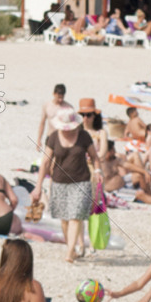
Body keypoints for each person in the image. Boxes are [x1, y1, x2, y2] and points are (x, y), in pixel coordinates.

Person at [30, 109, 98, 263]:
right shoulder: (53, 137)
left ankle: (69, 253)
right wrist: (38, 186)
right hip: (59, 181)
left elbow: (95, 157)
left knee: (75, 216)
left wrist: (98, 171)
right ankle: (72, 247)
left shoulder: (84, 136)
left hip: (81, 181)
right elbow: (46, 162)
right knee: (64, 219)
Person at [35, 83, 71, 147]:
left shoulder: (68, 107)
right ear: (54, 94)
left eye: (62, 97)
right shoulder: (47, 106)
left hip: (63, 138)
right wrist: (39, 140)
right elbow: (42, 123)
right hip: (50, 137)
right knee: (47, 157)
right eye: (59, 97)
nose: (60, 100)